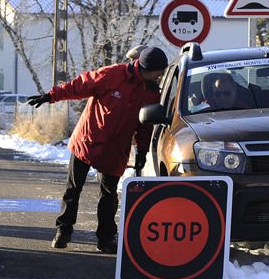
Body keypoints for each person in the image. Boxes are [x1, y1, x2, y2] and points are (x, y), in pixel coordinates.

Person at [27, 46, 169, 252]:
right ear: (147, 69)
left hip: (116, 148)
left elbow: (144, 125)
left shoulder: (151, 92)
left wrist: (142, 151)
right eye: (159, 72)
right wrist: (51, 96)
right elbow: (80, 85)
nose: (161, 76)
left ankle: (105, 238)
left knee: (109, 195)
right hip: (88, 140)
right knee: (73, 189)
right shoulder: (113, 74)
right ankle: (63, 231)